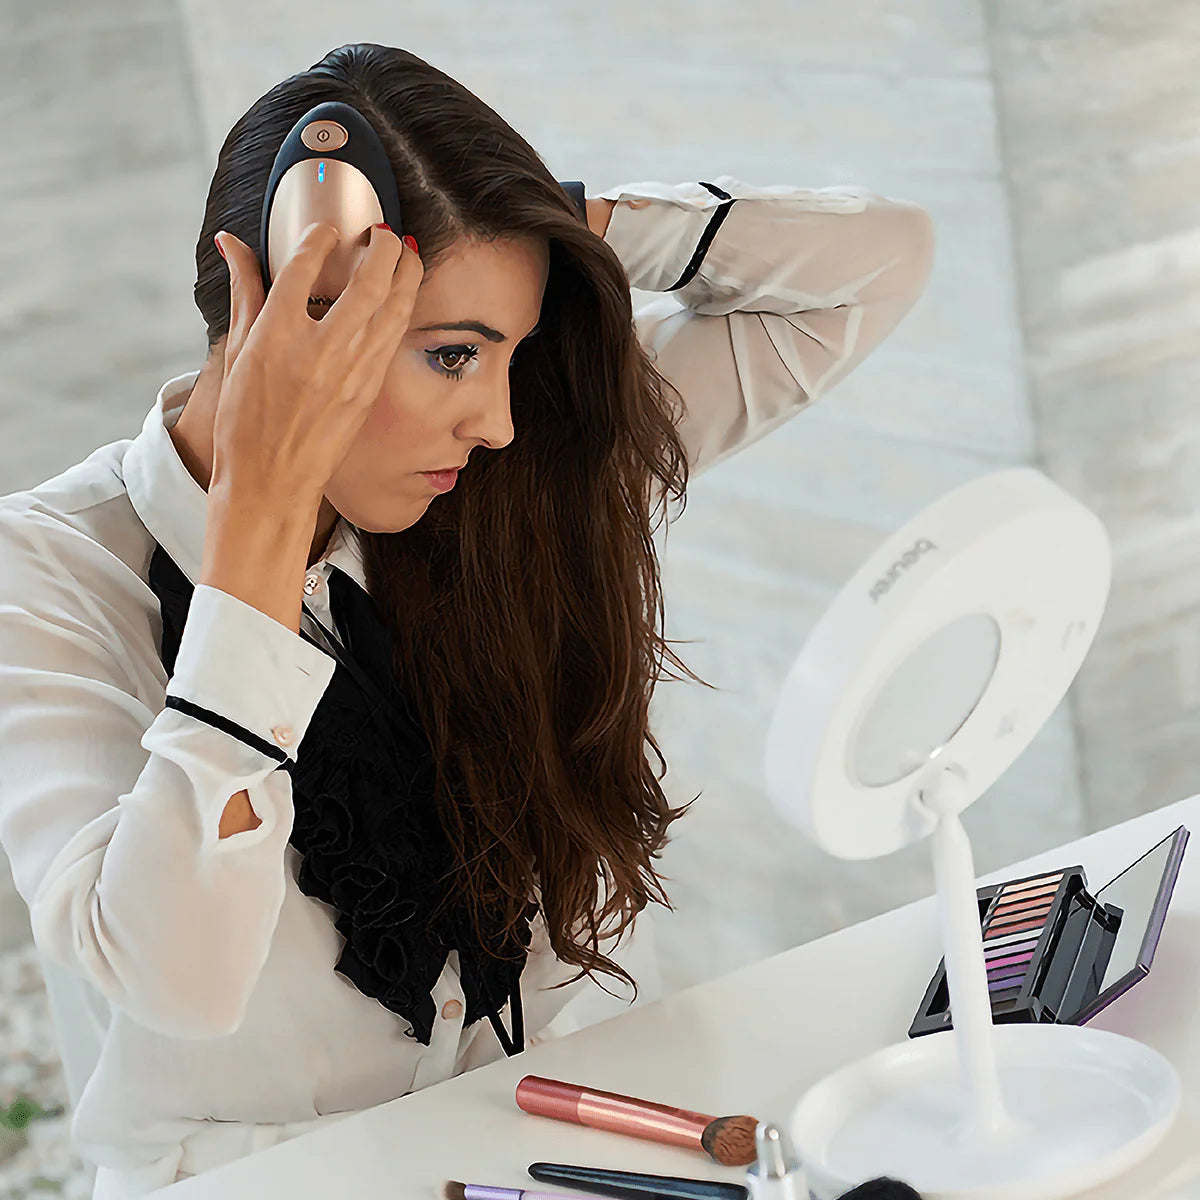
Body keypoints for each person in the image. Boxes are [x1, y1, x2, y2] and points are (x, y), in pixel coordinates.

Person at [0, 41, 934, 1200]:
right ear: (291, 307)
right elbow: (177, 978)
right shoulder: (45, 571)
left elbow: (879, 262)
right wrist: (259, 534)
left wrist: (562, 222)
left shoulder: (511, 485)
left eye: (510, 354)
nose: (493, 421)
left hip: (563, 1136)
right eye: (452, 356)